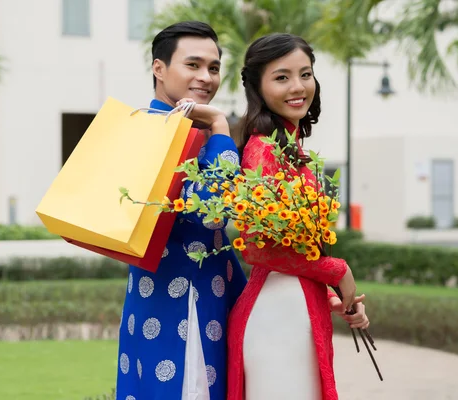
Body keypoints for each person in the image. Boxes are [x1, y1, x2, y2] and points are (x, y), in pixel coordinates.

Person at [226, 33, 370, 400]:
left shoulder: (290, 147)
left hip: (295, 308)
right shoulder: (263, 149)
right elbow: (256, 249)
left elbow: (294, 248)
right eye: (282, 77)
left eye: (305, 74)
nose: (298, 86)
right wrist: (337, 271)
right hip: (277, 318)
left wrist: (334, 296)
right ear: (258, 86)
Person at [116, 21, 248, 400]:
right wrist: (221, 125)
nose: (205, 77)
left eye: (213, 67)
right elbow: (215, 211)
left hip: (203, 298)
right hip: (180, 308)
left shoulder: (192, 132)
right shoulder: (155, 133)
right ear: (159, 69)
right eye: (192, 65)